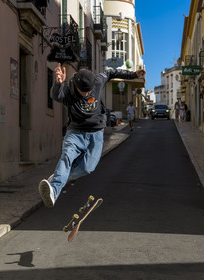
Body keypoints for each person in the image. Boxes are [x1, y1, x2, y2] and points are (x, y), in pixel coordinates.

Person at [39, 64, 146, 208]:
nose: (86, 94)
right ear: (75, 85)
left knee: (87, 168)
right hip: (75, 132)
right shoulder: (68, 90)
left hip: (96, 133)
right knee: (67, 156)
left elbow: (112, 72)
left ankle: (60, 177)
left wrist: (133, 75)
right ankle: (54, 189)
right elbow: (56, 96)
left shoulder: (98, 80)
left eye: (88, 91)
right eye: (82, 91)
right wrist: (58, 83)